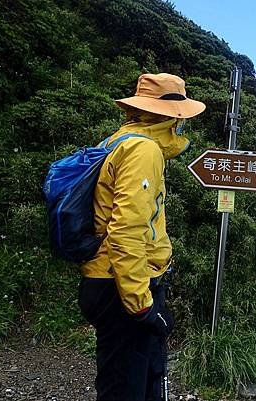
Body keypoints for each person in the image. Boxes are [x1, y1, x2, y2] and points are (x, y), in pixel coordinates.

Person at [78, 73, 205, 401]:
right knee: (125, 389)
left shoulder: (117, 141)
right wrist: (142, 306)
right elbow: (126, 232)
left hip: (107, 279)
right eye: (181, 117)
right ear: (170, 116)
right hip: (122, 287)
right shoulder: (143, 150)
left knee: (136, 378)